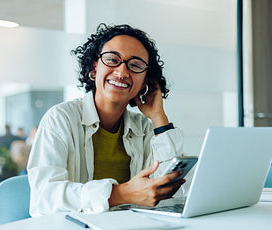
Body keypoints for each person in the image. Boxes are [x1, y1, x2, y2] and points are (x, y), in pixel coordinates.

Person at [27, 23, 185, 216]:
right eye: (112, 60)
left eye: (135, 65)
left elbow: (175, 190)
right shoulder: (60, 119)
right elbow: (44, 198)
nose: (122, 72)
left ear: (145, 80)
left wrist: (159, 117)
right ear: (94, 67)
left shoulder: (145, 127)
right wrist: (119, 194)